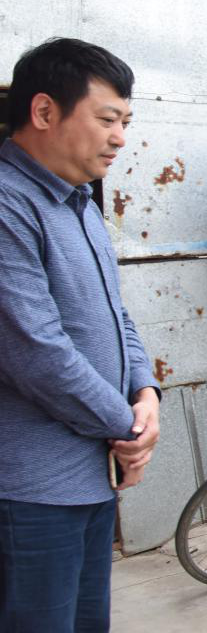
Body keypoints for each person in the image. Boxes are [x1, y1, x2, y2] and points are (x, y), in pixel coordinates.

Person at [0, 38, 162, 632]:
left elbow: (117, 315)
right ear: (44, 112)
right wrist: (128, 430)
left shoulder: (80, 204)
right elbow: (36, 352)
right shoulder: (8, 205)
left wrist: (146, 392)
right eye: (107, 119)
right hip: (29, 492)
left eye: (125, 122)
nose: (119, 138)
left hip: (90, 478)